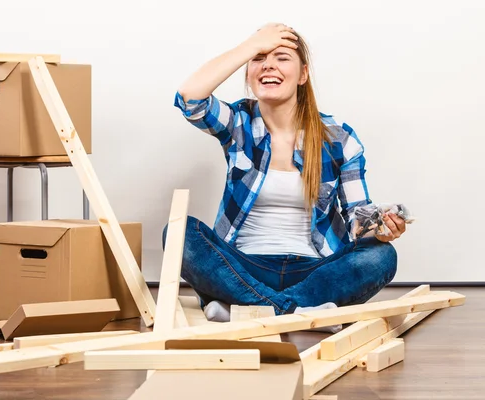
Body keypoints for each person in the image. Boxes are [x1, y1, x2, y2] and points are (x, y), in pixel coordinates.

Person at [163, 23, 406, 331]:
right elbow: (189, 98)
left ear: (303, 74)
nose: (268, 65)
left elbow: (359, 221)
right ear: (248, 71)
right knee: (178, 233)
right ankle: (304, 313)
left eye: (281, 57)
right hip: (243, 267)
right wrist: (248, 46)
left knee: (382, 257)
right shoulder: (238, 123)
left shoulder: (339, 139)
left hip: (314, 270)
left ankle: (248, 309)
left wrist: (381, 228)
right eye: (259, 57)